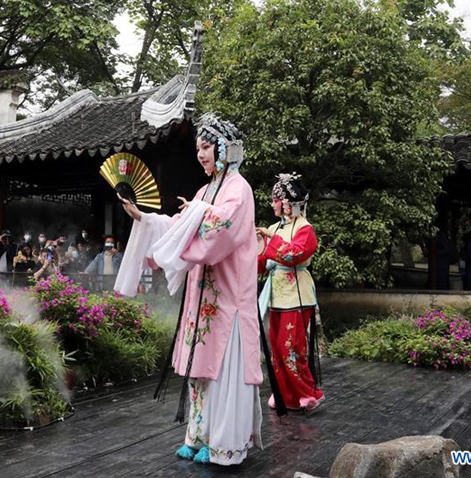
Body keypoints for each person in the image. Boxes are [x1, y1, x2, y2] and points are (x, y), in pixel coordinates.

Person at [115, 114, 262, 466]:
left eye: (207, 146)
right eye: (199, 148)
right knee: (200, 370)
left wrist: (198, 214)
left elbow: (219, 232)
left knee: (224, 371)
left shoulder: (238, 189)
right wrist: (144, 218)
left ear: (226, 149)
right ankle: (198, 436)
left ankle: (226, 444)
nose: (201, 154)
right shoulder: (206, 190)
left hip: (227, 299)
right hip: (203, 297)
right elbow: (178, 226)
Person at [256, 173, 324, 412]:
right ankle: (284, 395)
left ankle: (308, 393)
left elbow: (294, 254)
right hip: (277, 294)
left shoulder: (305, 229)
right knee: (276, 348)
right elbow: (262, 261)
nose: (273, 204)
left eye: (276, 199)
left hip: (297, 294)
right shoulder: (274, 228)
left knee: (290, 348)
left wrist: (270, 238)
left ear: (287, 202)